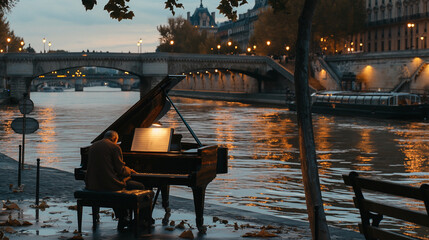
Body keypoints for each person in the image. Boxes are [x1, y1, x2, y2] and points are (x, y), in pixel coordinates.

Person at [85, 130, 145, 230]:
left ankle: (123, 217)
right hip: (108, 185)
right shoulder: (114, 147)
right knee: (140, 187)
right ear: (115, 139)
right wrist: (130, 170)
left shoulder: (93, 146)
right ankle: (141, 220)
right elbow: (121, 170)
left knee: (123, 187)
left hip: (92, 184)